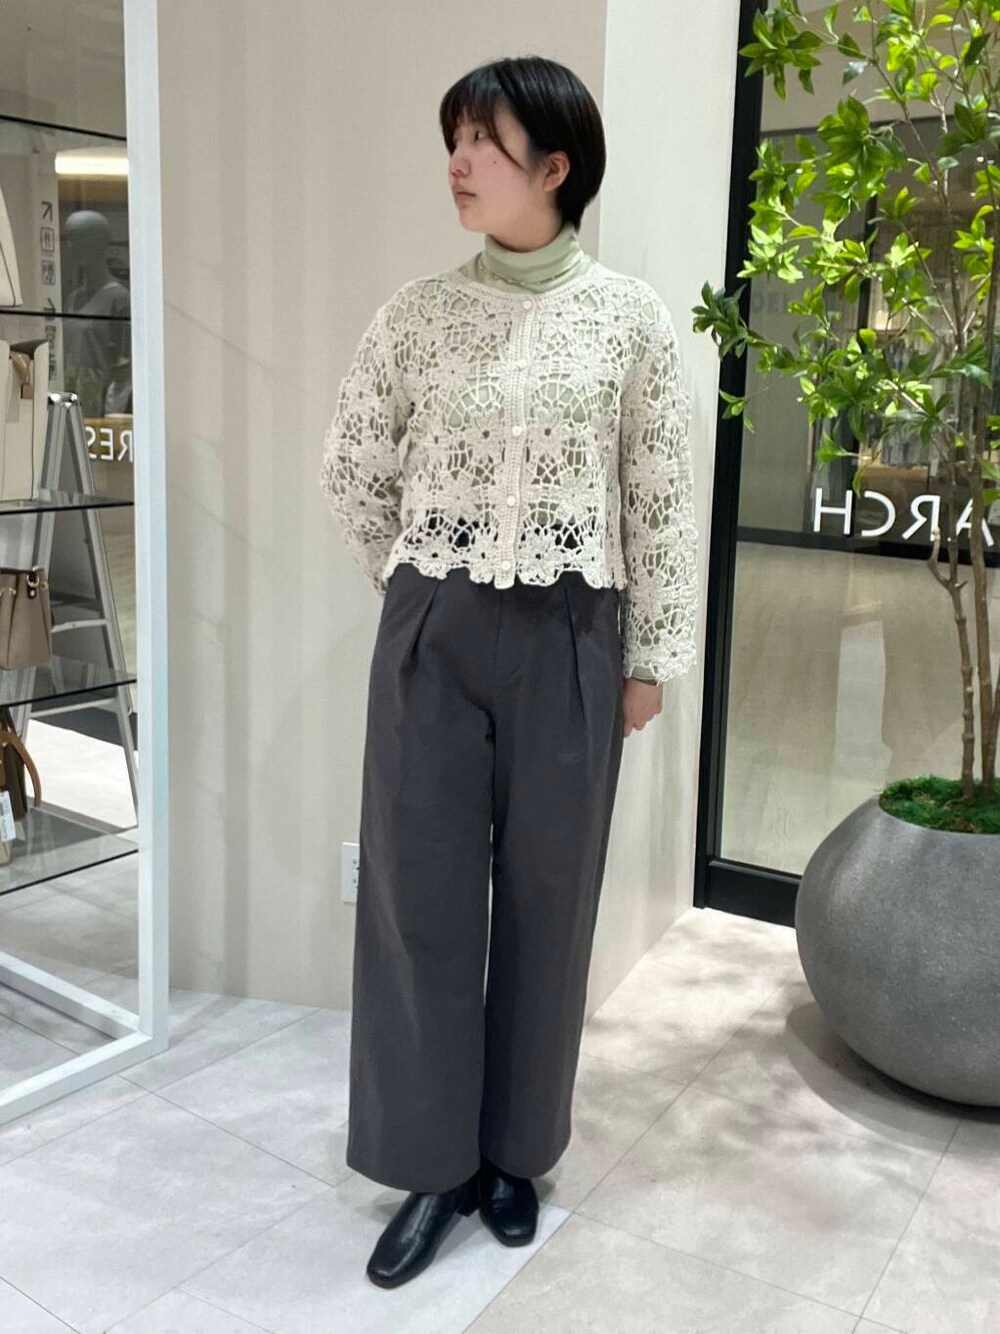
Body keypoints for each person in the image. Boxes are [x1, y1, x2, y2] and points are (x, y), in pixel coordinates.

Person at [319, 54, 698, 1289]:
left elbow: (660, 497)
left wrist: (650, 657)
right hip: (433, 627)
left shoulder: (629, 320)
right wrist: (415, 585)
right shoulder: (416, 315)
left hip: (575, 635)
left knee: (549, 897)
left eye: (483, 140)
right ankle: (429, 1164)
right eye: (454, 138)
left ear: (555, 165)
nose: (458, 161)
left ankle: (512, 1155)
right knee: (416, 897)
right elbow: (352, 466)